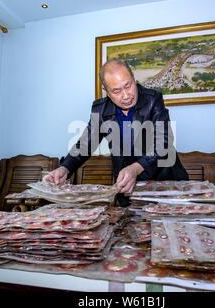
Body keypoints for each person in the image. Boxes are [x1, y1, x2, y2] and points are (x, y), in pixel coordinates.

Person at [44, 59, 188, 206]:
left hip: (164, 182)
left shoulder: (153, 99)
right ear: (106, 91)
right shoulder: (99, 110)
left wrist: (136, 168)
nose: (126, 95)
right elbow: (85, 144)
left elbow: (162, 143)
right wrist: (65, 167)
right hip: (126, 188)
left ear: (134, 79)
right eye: (117, 91)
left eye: (128, 85)